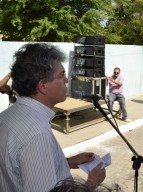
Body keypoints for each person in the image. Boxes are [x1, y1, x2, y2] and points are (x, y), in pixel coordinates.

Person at [0, 43, 106, 192]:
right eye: (61, 75)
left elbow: (22, 170)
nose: (67, 80)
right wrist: (90, 184)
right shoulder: (37, 135)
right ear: (43, 86)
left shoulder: (6, 116)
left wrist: (65, 162)